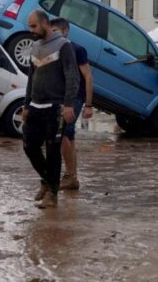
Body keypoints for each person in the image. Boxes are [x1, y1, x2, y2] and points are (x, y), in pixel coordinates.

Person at [21, 10, 79, 209]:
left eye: (34, 26)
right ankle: (47, 181)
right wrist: (27, 105)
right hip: (36, 106)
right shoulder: (35, 47)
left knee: (53, 150)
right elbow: (31, 78)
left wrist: (68, 104)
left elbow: (72, 76)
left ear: (45, 23)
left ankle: (52, 195)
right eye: (30, 26)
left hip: (56, 107)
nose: (31, 30)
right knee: (29, 146)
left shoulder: (64, 46)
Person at [50, 18, 94, 191]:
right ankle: (72, 177)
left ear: (65, 31)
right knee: (69, 136)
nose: (53, 35)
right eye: (51, 32)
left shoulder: (77, 49)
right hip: (60, 98)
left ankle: (69, 176)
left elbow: (88, 77)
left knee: (63, 135)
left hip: (75, 97)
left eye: (56, 31)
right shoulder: (53, 50)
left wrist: (88, 105)